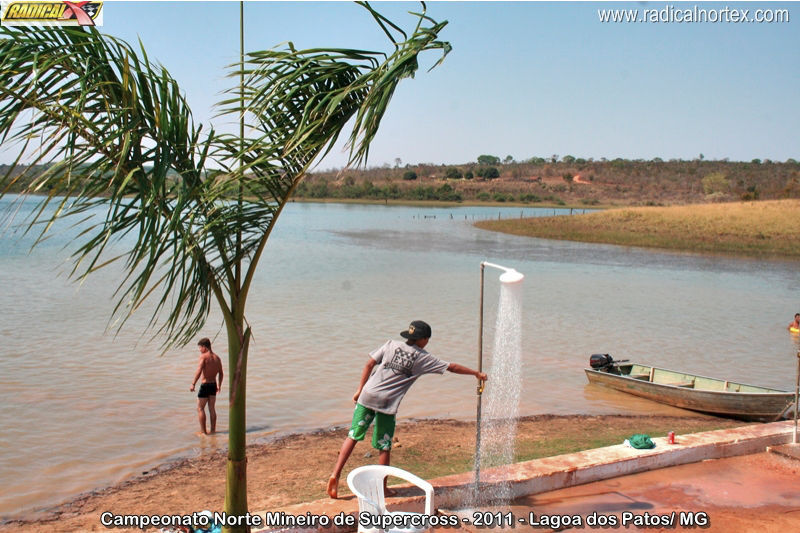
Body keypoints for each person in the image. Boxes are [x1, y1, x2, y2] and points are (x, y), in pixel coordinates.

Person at [326, 320, 487, 499]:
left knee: (353, 435)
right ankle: (383, 488)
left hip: (367, 395)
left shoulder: (390, 345)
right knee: (384, 445)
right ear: (423, 339)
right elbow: (451, 367)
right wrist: (476, 373)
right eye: (427, 339)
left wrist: (359, 389)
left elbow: (369, 364)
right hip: (387, 404)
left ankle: (335, 474)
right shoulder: (423, 357)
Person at [190, 338, 224, 435]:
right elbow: (221, 373)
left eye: (200, 348)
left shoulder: (203, 357)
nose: (200, 350)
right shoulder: (217, 358)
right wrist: (219, 385)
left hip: (205, 385)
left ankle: (204, 432)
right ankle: (213, 431)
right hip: (213, 385)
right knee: (212, 408)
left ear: (204, 347)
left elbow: (199, 370)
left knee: (200, 408)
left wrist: (193, 383)